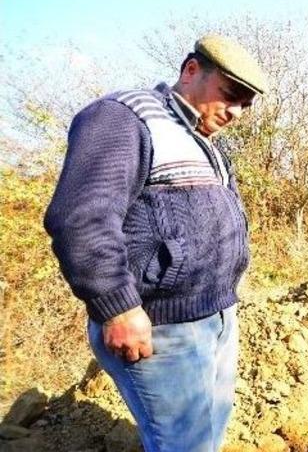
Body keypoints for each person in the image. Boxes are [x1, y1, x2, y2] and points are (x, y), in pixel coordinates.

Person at [44, 34, 268, 452]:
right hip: (162, 327)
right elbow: (80, 219)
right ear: (190, 70)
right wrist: (118, 307)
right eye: (230, 95)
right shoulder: (125, 118)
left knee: (208, 433)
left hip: (214, 319)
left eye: (246, 104)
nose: (236, 111)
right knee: (185, 445)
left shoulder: (205, 144)